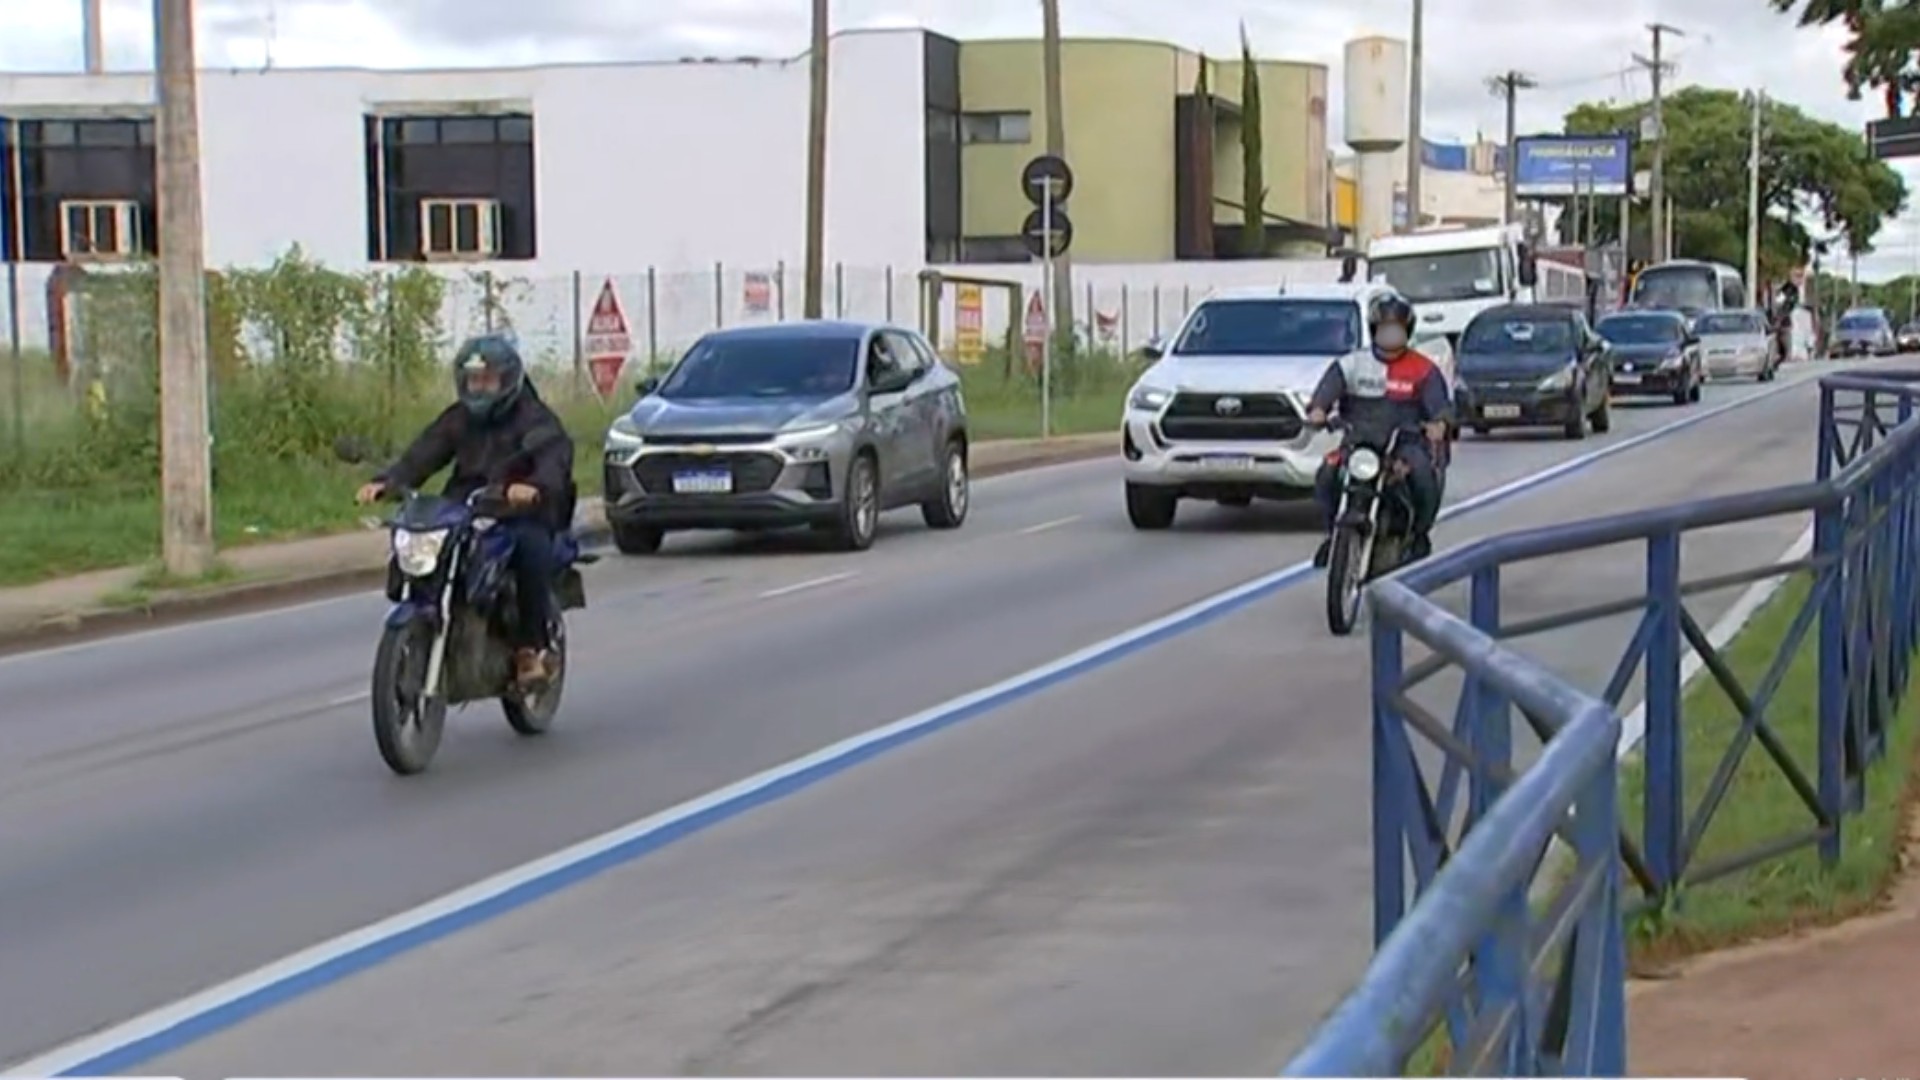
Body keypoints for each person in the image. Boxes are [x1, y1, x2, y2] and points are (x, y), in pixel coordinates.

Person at [357, 335, 577, 686]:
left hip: (517, 510)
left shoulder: (535, 419)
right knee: (426, 538)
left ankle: (529, 650)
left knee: (530, 549)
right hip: (467, 505)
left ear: (508, 380)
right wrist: (390, 481)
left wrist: (534, 486)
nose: (479, 388)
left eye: (487, 379)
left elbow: (554, 459)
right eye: (473, 379)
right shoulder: (459, 418)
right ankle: (430, 610)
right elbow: (425, 452)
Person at [1305, 291, 1451, 568]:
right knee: (1327, 474)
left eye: (1396, 330)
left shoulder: (1423, 369)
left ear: (1407, 331)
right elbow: (1325, 392)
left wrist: (1438, 424)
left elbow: (1440, 407)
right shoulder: (1351, 363)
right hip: (1358, 443)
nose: (1390, 336)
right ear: (1374, 330)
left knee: (1422, 475)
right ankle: (1332, 535)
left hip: (1404, 444)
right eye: (1385, 330)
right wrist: (1318, 410)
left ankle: (1419, 535)